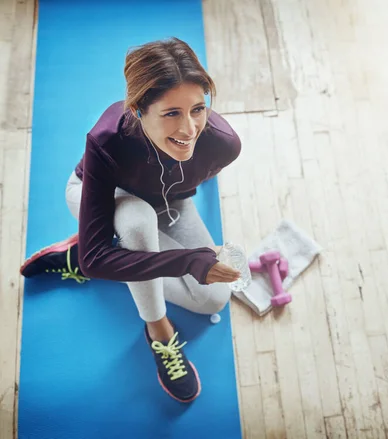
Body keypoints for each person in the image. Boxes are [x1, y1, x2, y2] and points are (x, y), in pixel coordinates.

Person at [19, 37, 243, 403]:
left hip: (170, 205)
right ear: (139, 109)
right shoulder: (107, 139)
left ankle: (91, 253)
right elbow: (99, 261)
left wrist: (175, 260)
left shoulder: (223, 145)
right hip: (108, 202)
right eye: (172, 113)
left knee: (213, 299)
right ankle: (159, 332)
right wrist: (190, 260)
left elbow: (189, 176)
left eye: (198, 109)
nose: (189, 129)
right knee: (137, 224)